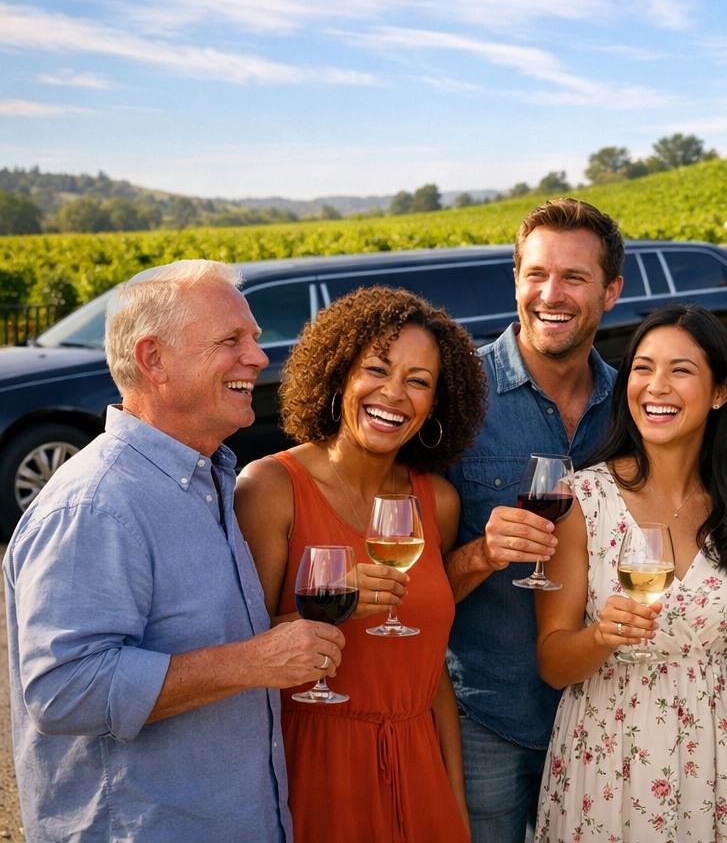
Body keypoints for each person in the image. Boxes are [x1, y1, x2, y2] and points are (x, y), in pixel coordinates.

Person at [5, 260, 343, 842]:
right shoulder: (97, 504)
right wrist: (253, 661)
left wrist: (281, 639)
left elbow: (191, 642)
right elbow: (63, 690)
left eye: (254, 339)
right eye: (231, 340)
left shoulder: (203, 479)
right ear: (152, 360)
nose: (259, 358)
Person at [236, 287, 488, 842]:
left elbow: (430, 667)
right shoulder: (271, 487)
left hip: (420, 766)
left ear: (435, 404)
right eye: (376, 369)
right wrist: (330, 604)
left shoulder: (439, 502)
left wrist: (455, 805)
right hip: (315, 768)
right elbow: (240, 650)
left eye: (419, 381)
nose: (394, 394)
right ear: (339, 375)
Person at [533, 305, 727, 841]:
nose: (655, 386)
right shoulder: (582, 499)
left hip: (717, 761)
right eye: (642, 368)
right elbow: (553, 663)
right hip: (608, 757)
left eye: (681, 370)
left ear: (719, 393)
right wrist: (602, 635)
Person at [442, 198, 626, 841]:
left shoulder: (635, 404)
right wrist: (481, 555)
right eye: (536, 274)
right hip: (489, 717)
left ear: (611, 290)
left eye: (574, 277)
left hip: (608, 719)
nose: (552, 294)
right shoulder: (455, 397)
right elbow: (403, 579)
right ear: (516, 280)